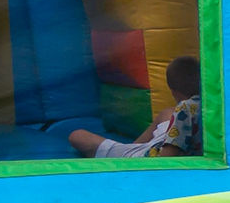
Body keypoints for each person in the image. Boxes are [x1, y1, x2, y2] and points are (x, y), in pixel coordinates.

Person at [69, 56, 202, 158]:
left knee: (77, 135)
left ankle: (129, 151)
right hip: (162, 140)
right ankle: (132, 147)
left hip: (146, 157)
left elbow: (169, 154)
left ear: (173, 92)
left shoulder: (185, 108)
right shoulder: (206, 105)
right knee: (167, 112)